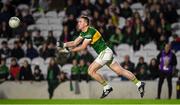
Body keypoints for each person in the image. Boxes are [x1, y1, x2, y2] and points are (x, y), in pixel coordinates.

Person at [57, 16, 145, 98]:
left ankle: (107, 87)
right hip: (106, 52)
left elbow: (83, 47)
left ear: (86, 24)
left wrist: (69, 50)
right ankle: (139, 83)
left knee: (90, 71)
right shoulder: (83, 33)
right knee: (120, 71)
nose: (78, 23)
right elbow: (74, 43)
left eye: (80, 22)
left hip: (105, 52)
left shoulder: (90, 31)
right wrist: (63, 44)